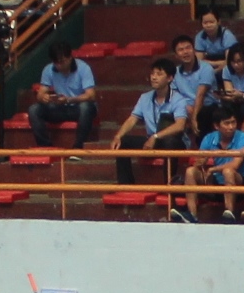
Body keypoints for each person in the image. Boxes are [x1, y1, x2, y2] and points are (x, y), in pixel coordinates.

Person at [112, 58, 194, 202]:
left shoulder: (179, 100)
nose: (154, 77)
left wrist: (155, 136)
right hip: (152, 139)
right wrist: (118, 136)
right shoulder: (145, 98)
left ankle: (168, 186)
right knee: (123, 142)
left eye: (159, 74)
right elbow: (132, 119)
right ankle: (126, 186)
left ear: (170, 78)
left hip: (174, 140)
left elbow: (180, 125)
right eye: (152, 73)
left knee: (170, 142)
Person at [27, 41, 98, 147]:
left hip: (78, 107)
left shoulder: (83, 68)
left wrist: (69, 99)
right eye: (56, 63)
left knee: (86, 107)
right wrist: (44, 97)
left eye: (62, 61)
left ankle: (78, 146)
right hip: (60, 107)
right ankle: (45, 146)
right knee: (34, 110)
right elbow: (40, 94)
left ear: (70, 57)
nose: (59, 66)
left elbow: (91, 95)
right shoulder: (48, 69)